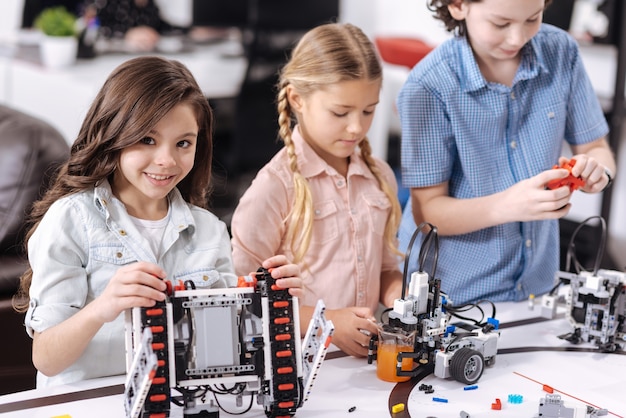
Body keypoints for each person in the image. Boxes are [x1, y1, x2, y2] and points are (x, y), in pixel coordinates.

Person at [13, 56, 303, 388]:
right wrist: (103, 308)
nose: (166, 160)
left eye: (183, 143)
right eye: (147, 140)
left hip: (176, 403)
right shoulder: (71, 219)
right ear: (113, 134)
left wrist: (260, 301)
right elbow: (47, 359)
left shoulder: (209, 231)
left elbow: (223, 353)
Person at [397, 0, 617, 304]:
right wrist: (508, 206)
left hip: (538, 288)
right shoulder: (428, 85)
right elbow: (428, 211)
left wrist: (597, 172)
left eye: (533, 18)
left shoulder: (561, 51)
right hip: (455, 296)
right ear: (458, 6)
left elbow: (596, 148)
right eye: (500, 24)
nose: (518, 38)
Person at [230, 23, 404, 358]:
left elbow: (384, 270)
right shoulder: (274, 188)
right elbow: (242, 299)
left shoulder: (380, 176)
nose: (357, 127)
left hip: (361, 364)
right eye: (340, 112)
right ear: (297, 99)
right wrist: (327, 321)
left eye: (369, 110)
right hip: (297, 366)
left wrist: (403, 298)